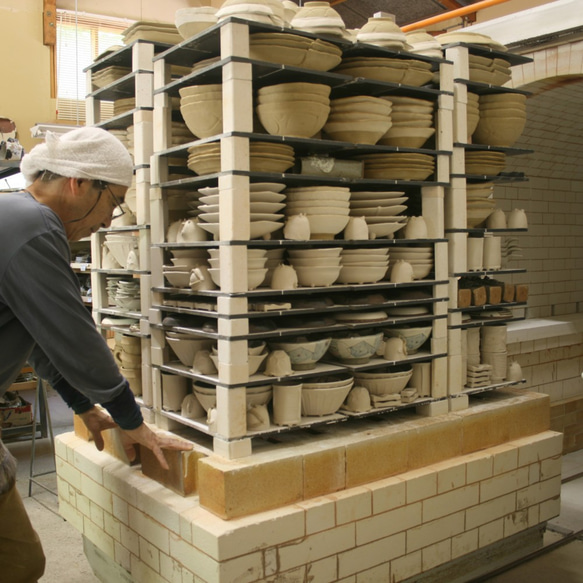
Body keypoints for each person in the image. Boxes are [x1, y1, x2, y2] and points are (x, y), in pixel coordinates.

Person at [0, 127, 192, 582]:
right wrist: (131, 420)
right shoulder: (31, 224)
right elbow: (73, 334)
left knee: (20, 561)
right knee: (19, 563)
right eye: (114, 201)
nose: (110, 220)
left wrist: (85, 406)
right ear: (79, 182)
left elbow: (40, 334)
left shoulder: (15, 216)